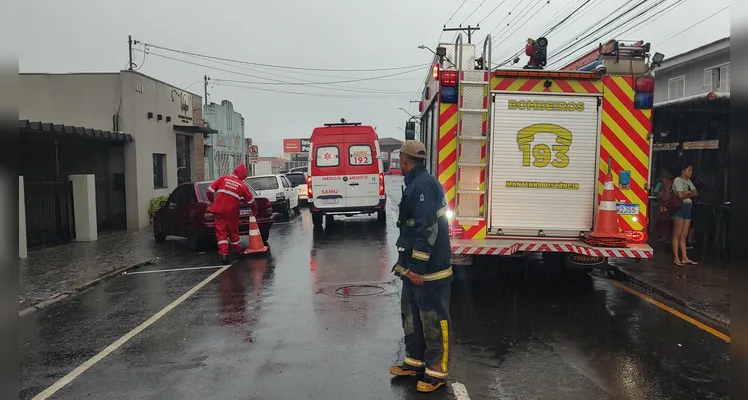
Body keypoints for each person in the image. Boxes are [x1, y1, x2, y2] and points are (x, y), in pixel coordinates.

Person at [389, 140, 453, 393]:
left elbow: (427, 229)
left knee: (433, 320)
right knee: (412, 315)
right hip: (412, 269)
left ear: (404, 159)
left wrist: (416, 266)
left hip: (429, 271)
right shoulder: (415, 183)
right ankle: (415, 361)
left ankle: (436, 371)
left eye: (399, 159)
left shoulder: (423, 185)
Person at [206, 164, 256, 265]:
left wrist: (212, 201)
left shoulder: (223, 179)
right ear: (243, 175)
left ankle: (224, 254)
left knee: (221, 233)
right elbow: (251, 201)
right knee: (233, 232)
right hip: (232, 212)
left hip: (219, 210)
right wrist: (254, 211)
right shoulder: (242, 185)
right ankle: (237, 251)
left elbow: (209, 190)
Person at [671, 163, 698, 266]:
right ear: (683, 171)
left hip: (688, 206)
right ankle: (676, 257)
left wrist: (687, 192)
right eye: (689, 170)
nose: (691, 172)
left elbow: (696, 192)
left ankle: (685, 257)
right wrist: (689, 192)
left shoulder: (688, 181)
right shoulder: (677, 180)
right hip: (680, 207)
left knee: (684, 234)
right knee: (677, 233)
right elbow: (681, 195)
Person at [654, 168, 674, 242]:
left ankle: (663, 236)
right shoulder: (673, 182)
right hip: (671, 203)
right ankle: (667, 236)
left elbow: (656, 191)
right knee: (669, 221)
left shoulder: (661, 182)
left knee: (662, 220)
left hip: (663, 203)